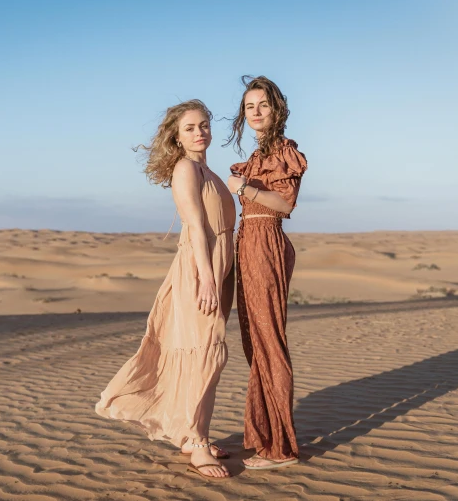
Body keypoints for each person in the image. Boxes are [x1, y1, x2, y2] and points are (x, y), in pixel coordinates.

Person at [96, 99, 236, 480]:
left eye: (204, 125)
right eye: (190, 127)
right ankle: (196, 440)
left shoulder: (207, 168)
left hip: (218, 266)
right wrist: (206, 277)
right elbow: (194, 228)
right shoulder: (186, 169)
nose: (200, 132)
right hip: (199, 268)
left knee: (208, 351)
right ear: (177, 135)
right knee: (205, 352)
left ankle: (194, 434)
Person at [225, 76, 308, 470]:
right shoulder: (259, 153)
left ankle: (281, 448)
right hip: (249, 243)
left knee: (270, 339)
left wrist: (246, 189)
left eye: (263, 105)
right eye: (249, 107)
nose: (256, 112)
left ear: (277, 109)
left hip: (266, 242)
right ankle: (263, 435)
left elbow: (284, 203)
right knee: (255, 340)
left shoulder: (282, 152)